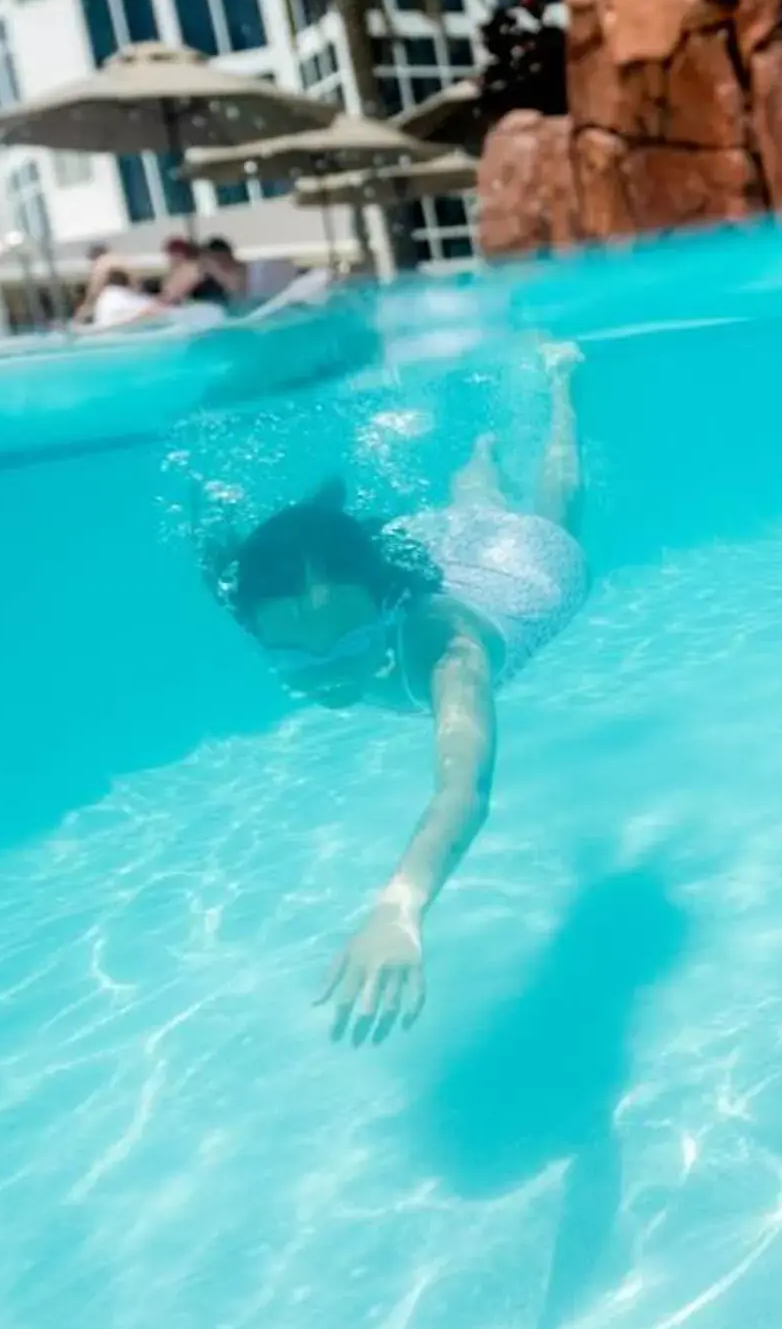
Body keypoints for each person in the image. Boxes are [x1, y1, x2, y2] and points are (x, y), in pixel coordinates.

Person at [207, 342, 589, 1040]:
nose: (326, 671)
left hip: (525, 575)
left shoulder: (452, 655)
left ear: (386, 609)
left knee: (550, 517)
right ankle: (480, 458)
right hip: (450, 548)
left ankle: (562, 389)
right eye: (295, 654)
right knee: (472, 511)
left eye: (348, 645)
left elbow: (462, 792)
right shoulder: (267, 592)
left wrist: (400, 907)